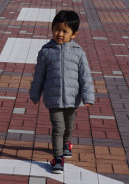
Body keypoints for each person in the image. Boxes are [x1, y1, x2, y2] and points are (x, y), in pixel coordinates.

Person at [29, 10, 95, 174]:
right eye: (57, 29)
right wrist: (35, 94)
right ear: (52, 28)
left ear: (74, 34)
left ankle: (67, 143)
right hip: (53, 97)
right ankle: (58, 158)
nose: (60, 34)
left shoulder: (78, 53)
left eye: (65, 31)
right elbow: (39, 75)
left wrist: (88, 96)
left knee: (69, 126)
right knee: (58, 127)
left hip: (72, 98)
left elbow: (85, 76)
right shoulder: (46, 51)